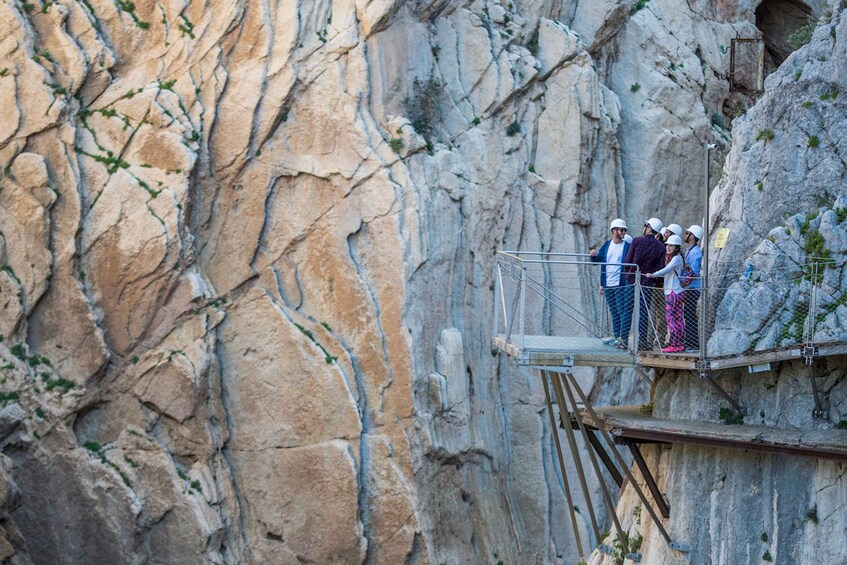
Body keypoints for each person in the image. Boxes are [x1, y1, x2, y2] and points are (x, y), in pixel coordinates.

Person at [624, 218, 666, 350]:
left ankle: (623, 339)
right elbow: (660, 268)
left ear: (648, 227)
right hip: (647, 282)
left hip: (632, 279)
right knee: (643, 312)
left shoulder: (637, 241)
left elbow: (628, 261)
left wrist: (629, 273)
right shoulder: (660, 246)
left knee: (627, 310)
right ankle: (642, 342)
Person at [590, 219, 632, 349]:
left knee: (622, 310)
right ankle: (616, 336)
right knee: (614, 311)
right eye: (621, 230)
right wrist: (593, 255)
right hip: (608, 284)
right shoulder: (607, 245)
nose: (623, 232)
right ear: (614, 231)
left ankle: (622, 338)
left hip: (621, 284)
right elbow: (597, 261)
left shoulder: (627, 246)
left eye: (624, 230)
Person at [646, 234, 685, 353]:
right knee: (678, 318)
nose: (668, 247)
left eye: (671, 246)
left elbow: (666, 270)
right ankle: (679, 343)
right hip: (677, 290)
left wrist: (653, 274)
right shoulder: (678, 257)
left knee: (671, 318)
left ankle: (674, 343)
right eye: (667, 245)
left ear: (677, 247)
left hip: (673, 292)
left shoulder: (676, 258)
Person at [682, 225, 704, 351]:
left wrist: (685, 269)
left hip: (692, 288)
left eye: (687, 233)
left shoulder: (695, 253)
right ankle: (690, 341)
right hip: (689, 287)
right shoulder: (690, 250)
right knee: (688, 315)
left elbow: (694, 272)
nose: (685, 235)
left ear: (692, 236)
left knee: (689, 315)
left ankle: (692, 343)